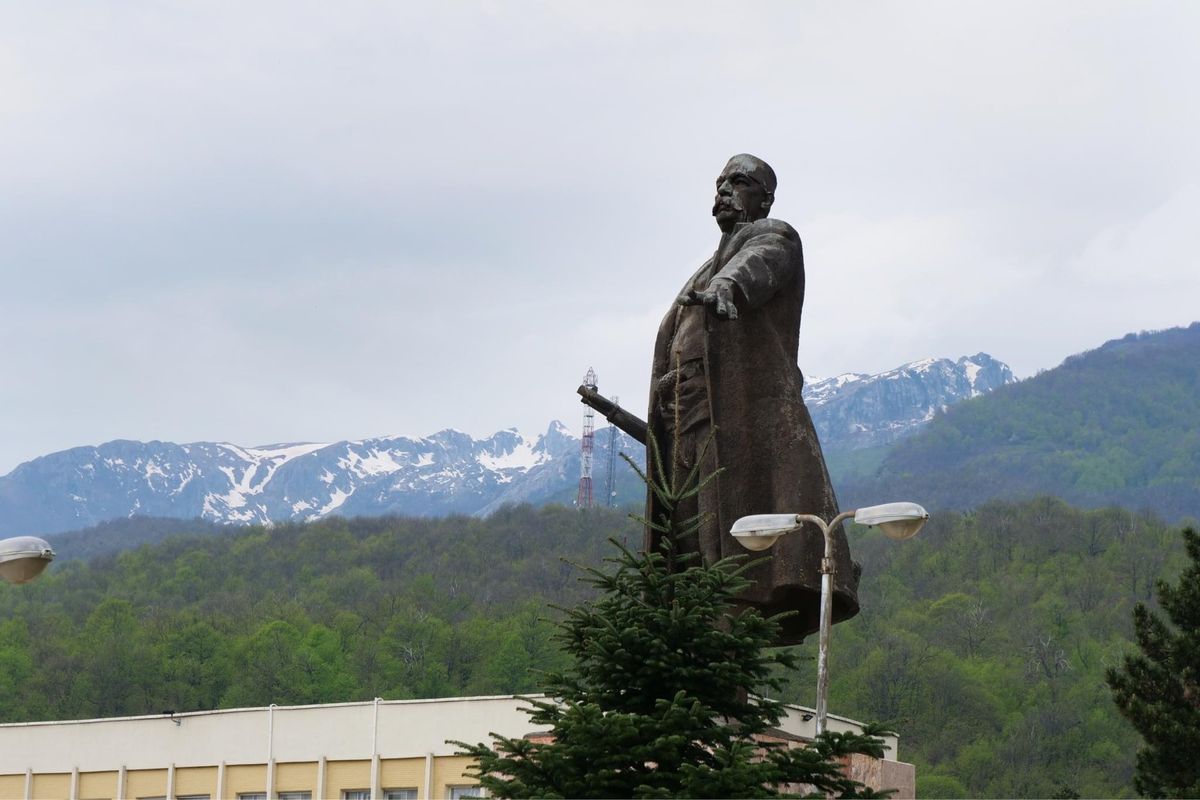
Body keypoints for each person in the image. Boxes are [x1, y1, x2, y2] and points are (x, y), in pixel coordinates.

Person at [645, 153, 859, 646]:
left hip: (735, 428)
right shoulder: (702, 269)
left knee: (728, 552)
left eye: (738, 182)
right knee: (687, 552)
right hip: (686, 424)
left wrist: (728, 286)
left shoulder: (774, 237)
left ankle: (724, 671)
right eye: (719, 182)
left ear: (765, 198)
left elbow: (759, 263)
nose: (723, 190)